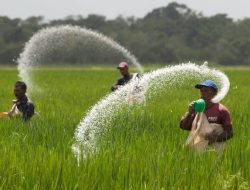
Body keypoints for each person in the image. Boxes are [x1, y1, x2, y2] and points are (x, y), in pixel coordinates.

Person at [180, 80, 233, 145]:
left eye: (206, 91)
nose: (203, 93)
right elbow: (184, 127)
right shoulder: (196, 108)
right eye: (201, 91)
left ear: (215, 93)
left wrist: (215, 138)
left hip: (215, 149)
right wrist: (189, 113)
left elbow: (230, 133)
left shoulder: (222, 110)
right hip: (197, 148)